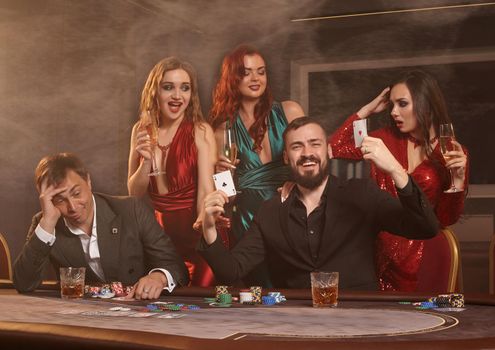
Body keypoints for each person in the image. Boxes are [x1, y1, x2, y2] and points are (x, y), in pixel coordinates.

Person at [197, 117, 439, 289]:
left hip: (361, 321)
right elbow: (230, 272)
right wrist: (209, 228)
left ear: (329, 151)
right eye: (297, 146)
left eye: (315, 144)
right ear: (286, 157)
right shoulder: (270, 211)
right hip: (296, 327)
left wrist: (396, 169)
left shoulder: (362, 194)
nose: (307, 152)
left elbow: (425, 227)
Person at [330, 70, 469, 292]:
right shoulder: (385, 139)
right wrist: (365, 111)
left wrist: (458, 182)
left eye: (402, 104)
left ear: (426, 105)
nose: (394, 112)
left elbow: (445, 219)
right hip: (378, 250)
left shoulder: (451, 152)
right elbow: (333, 148)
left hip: (421, 252)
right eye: (392, 104)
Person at [13, 153, 189, 299]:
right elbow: (24, 283)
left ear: (88, 181)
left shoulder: (131, 209)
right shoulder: (45, 224)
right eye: (60, 200)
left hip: (141, 312)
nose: (73, 207)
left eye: (76, 193)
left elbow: (177, 267)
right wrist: (48, 222)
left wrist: (158, 277)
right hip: (83, 321)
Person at [208, 45, 304, 286]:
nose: (255, 79)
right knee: (260, 293)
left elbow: (311, 159)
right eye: (247, 72)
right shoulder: (222, 131)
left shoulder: (290, 111)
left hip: (290, 212)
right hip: (248, 221)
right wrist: (222, 175)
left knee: (295, 287)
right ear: (233, 78)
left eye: (261, 72)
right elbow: (228, 197)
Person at [127, 57, 216, 286]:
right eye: (169, 87)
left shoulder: (200, 130)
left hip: (196, 232)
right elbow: (134, 194)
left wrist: (203, 232)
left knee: (201, 304)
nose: (178, 96)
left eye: (185, 88)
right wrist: (145, 162)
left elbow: (206, 190)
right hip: (159, 238)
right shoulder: (140, 129)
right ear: (155, 91)